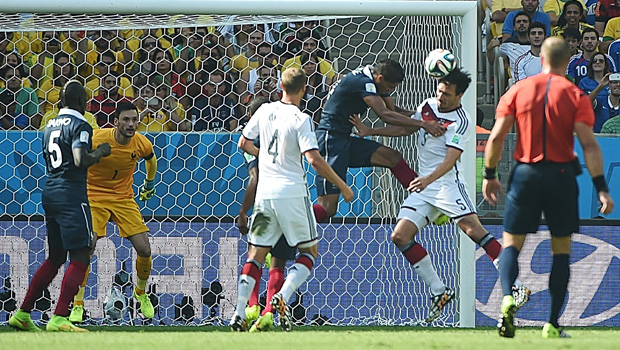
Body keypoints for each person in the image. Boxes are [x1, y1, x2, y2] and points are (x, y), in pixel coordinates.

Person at [349, 68, 529, 323]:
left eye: (446, 94)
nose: (440, 97)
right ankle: (439, 290)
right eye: (439, 91)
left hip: (446, 185)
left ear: (460, 95)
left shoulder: (461, 121)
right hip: (424, 187)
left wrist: (426, 180)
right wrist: (372, 132)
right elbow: (404, 131)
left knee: (474, 232)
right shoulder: (428, 105)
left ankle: (516, 286)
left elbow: (450, 160)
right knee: (399, 236)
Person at [483, 37, 614, 339]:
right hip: (561, 174)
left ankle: (507, 297)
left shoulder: (517, 90)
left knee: (511, 243)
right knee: (561, 250)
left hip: (526, 173)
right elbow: (589, 145)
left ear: (540, 57)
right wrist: (601, 188)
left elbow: (496, 137)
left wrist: (489, 174)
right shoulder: (574, 94)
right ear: (568, 60)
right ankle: (552, 323)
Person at [230, 67, 354, 332]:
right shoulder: (301, 118)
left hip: (265, 195)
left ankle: (239, 312)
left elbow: (243, 143)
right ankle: (282, 297)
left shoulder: (263, 111)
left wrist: (265, 156)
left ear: (280, 87)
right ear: (304, 89)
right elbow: (313, 159)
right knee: (309, 251)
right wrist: (342, 185)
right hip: (293, 193)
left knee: (255, 255)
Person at [8, 80, 111, 332]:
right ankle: (60, 317)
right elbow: (79, 159)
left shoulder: (49, 125)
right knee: (81, 255)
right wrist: (100, 153)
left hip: (50, 192)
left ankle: (22, 314)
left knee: (55, 257)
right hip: (71, 195)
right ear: (81, 102)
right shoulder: (81, 125)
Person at [314, 58, 446, 222]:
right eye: (390, 87)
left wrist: (426, 117)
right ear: (380, 79)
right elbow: (385, 115)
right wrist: (423, 124)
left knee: (392, 158)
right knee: (328, 208)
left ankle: (429, 201)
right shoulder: (362, 81)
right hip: (330, 139)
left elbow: (393, 110)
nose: (390, 91)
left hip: (344, 138)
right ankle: (287, 221)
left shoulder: (375, 79)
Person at [68, 102, 157, 323]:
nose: (131, 124)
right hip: (94, 196)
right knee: (87, 248)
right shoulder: (97, 138)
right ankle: (78, 303)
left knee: (144, 249)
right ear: (116, 122)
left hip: (123, 198)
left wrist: (149, 184)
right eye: (126, 120)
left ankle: (141, 292)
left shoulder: (141, 142)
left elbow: (151, 159)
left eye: (135, 120)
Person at [236, 96, 298, 333]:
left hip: (266, 205)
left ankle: (251, 307)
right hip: (291, 203)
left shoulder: (253, 141)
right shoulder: (285, 134)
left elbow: (256, 177)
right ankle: (269, 313)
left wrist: (243, 211)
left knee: (255, 257)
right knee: (279, 262)